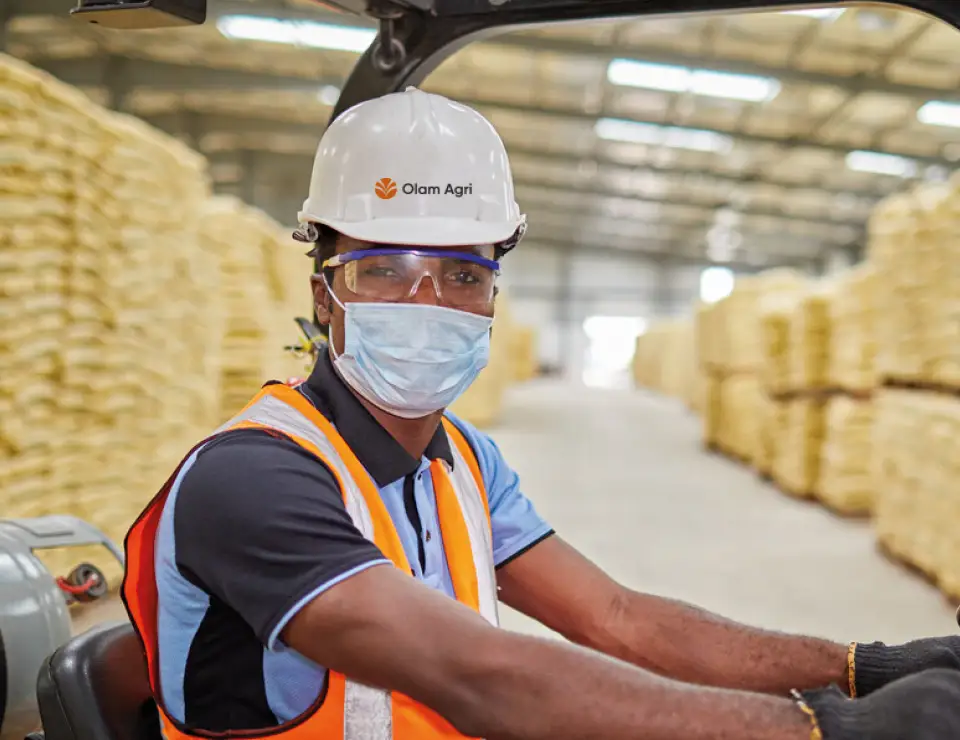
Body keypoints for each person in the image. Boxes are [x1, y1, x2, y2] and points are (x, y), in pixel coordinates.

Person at [121, 87, 960, 740]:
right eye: (385, 270)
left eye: (462, 276)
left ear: (492, 298)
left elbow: (619, 621)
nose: (428, 302)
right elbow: (479, 673)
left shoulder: (460, 461)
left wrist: (860, 670)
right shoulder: (253, 479)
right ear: (324, 294)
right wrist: (820, 730)